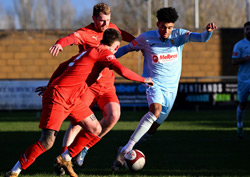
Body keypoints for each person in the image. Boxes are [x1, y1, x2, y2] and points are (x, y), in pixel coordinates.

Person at [5, 28, 153, 177]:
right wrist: (144, 79)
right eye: (116, 49)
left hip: (72, 99)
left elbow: (62, 66)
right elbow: (122, 70)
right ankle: (14, 171)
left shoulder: (88, 52)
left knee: (95, 128)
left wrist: (50, 85)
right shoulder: (104, 52)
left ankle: (65, 158)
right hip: (59, 97)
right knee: (47, 141)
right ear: (115, 47)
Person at [111, 7, 217, 171]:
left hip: (171, 89)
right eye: (163, 27)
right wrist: (107, 57)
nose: (166, 31)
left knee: (154, 126)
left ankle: (132, 144)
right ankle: (125, 150)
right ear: (157, 24)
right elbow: (125, 49)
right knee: (155, 111)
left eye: (169, 27)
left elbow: (202, 38)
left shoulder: (179, 35)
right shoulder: (146, 38)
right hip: (154, 83)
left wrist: (208, 31)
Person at [48, 2, 135, 167]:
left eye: (108, 20)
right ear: (94, 18)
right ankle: (63, 159)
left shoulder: (112, 29)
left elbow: (123, 34)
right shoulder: (85, 33)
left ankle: (85, 148)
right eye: (101, 20)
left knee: (114, 115)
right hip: (87, 87)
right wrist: (60, 43)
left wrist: (139, 43)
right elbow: (71, 38)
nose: (105, 24)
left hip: (107, 86)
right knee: (77, 124)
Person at [232, 21, 250, 139]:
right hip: (244, 80)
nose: (249, 31)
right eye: (247, 29)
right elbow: (234, 61)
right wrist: (245, 59)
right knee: (242, 104)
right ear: (244, 31)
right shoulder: (239, 45)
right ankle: (239, 125)